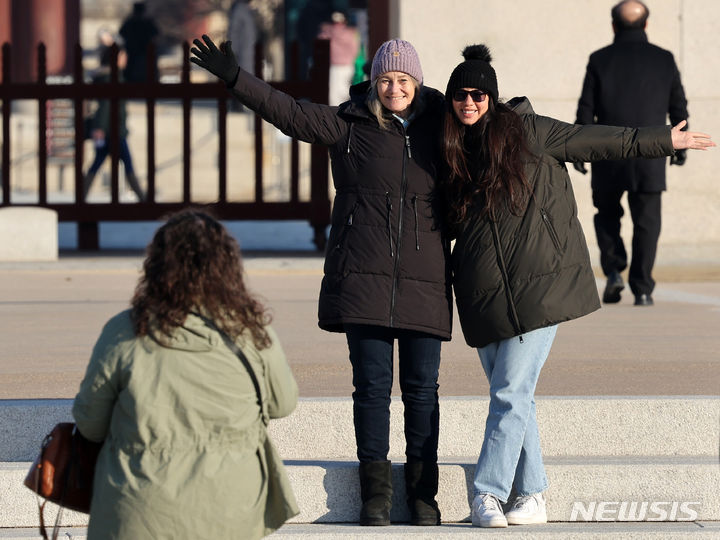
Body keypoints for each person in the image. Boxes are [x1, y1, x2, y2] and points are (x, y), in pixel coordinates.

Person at [441, 44, 713, 528]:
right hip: (483, 294)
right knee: (514, 396)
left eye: (478, 94)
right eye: (460, 95)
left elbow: (602, 140)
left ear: (492, 96)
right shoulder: (451, 151)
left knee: (508, 394)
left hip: (539, 287)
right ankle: (535, 495)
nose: (469, 102)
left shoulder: (531, 132)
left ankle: (487, 493)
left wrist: (665, 140)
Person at [190, 35, 452, 527]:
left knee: (422, 391)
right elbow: (287, 112)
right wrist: (235, 78)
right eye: (385, 80)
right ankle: (375, 496)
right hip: (362, 278)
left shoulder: (442, 128)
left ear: (418, 83)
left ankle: (423, 495)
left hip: (426, 279)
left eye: (403, 80)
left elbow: (492, 128)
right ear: (373, 82)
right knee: (371, 389)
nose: (394, 88)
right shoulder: (348, 123)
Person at [72, 209, 299, 539]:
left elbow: (90, 423)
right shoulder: (250, 330)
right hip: (232, 508)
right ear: (228, 268)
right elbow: (283, 404)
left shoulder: (124, 330)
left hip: (139, 510)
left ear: (156, 267)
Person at [574, 0, 689, 306]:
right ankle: (643, 287)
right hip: (652, 153)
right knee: (647, 222)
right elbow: (678, 105)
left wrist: (579, 148)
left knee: (607, 215)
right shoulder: (664, 59)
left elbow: (586, 108)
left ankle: (613, 271)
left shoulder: (599, 59)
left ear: (614, 25)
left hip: (608, 151)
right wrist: (679, 144)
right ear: (646, 25)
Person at [83, 45, 146, 202]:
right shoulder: (111, 78)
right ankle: (143, 198)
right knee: (127, 164)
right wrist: (100, 127)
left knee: (97, 163)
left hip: (110, 129)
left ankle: (81, 195)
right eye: (122, 56)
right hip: (113, 130)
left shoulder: (110, 76)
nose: (125, 59)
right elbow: (105, 106)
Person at [317, 11, 361, 105]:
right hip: (347, 66)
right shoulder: (351, 34)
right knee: (345, 91)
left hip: (333, 66)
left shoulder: (325, 33)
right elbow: (355, 50)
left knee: (333, 93)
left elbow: (319, 49)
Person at [119, 1, 159, 82]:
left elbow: (122, 32)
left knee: (134, 71)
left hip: (137, 51)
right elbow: (156, 33)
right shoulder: (146, 22)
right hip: (141, 51)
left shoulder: (131, 22)